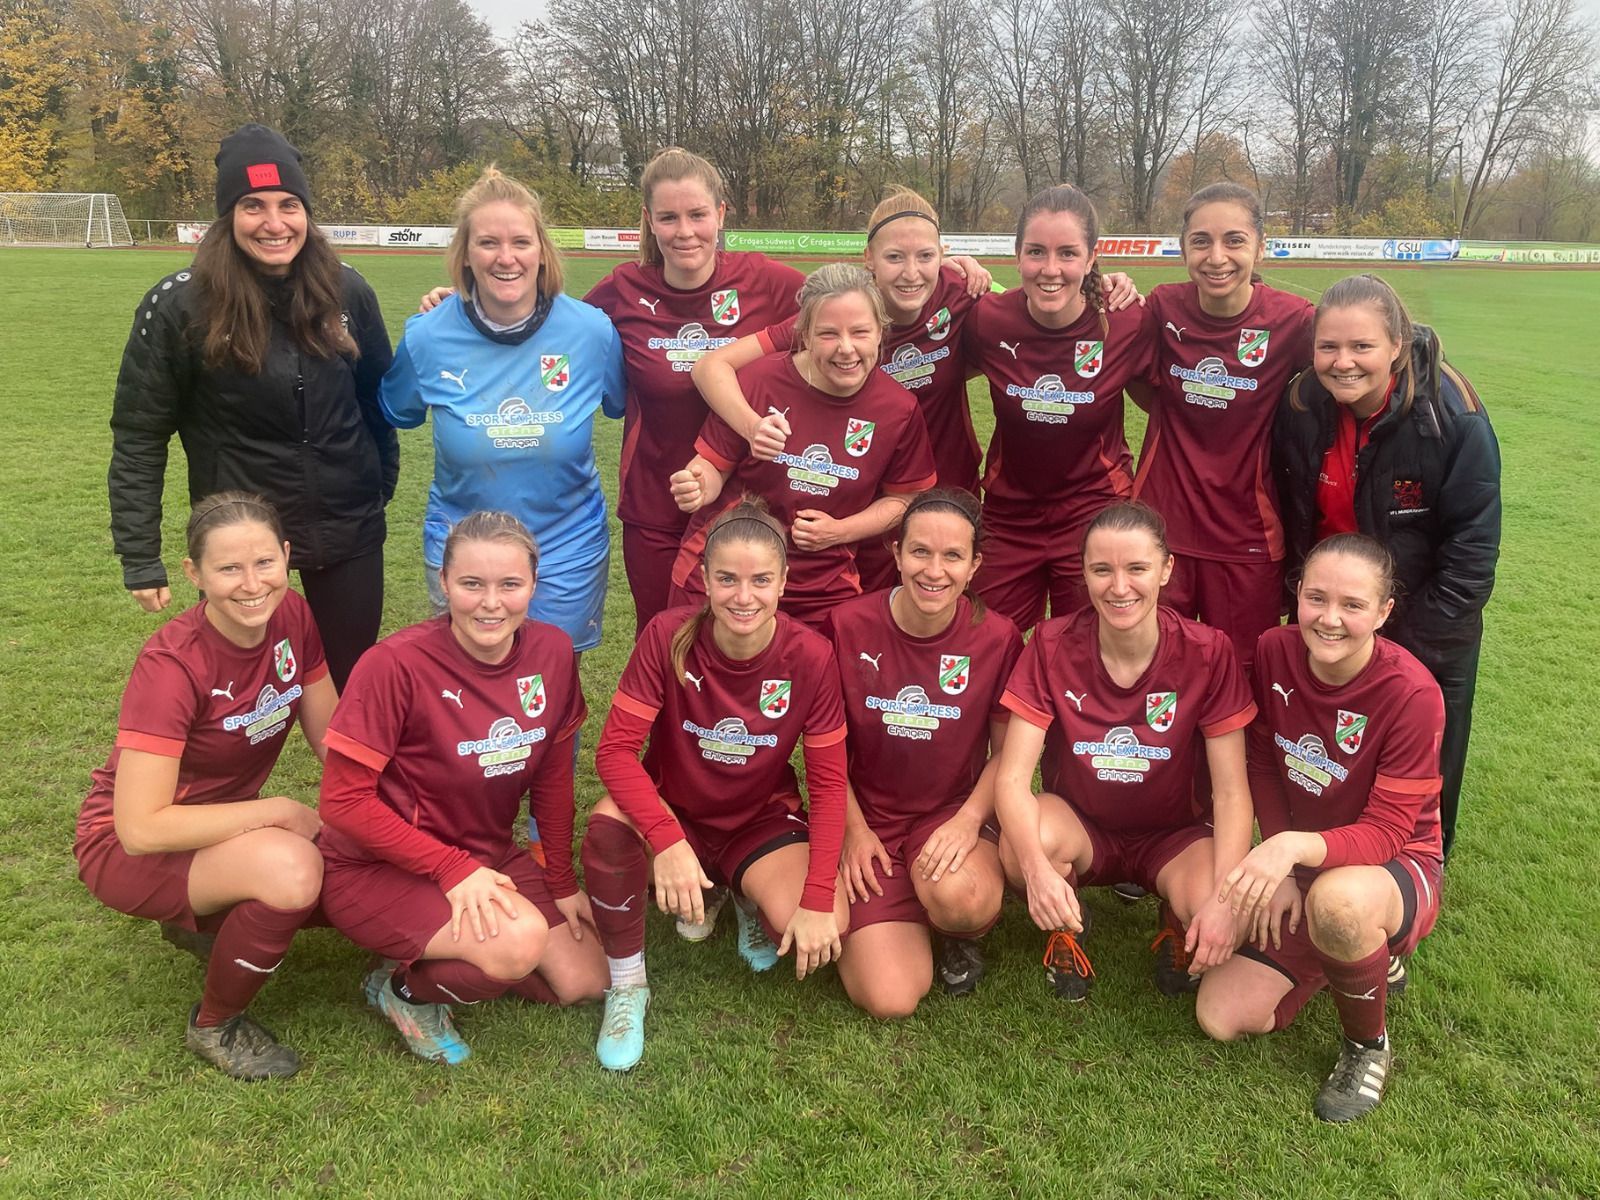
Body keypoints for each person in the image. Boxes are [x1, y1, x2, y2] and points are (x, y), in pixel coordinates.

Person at [108, 123, 397, 691]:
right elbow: (139, 435)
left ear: (306, 212)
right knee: (245, 701)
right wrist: (140, 553)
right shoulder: (180, 305)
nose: (274, 223)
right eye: (253, 206)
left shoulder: (348, 291)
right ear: (228, 216)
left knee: (353, 690)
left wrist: (377, 484)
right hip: (242, 539)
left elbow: (376, 401)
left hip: (348, 527)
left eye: (289, 204)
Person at [317, 511, 607, 1064]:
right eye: (472, 583)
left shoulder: (551, 652)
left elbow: (552, 776)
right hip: (375, 866)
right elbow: (341, 802)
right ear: (444, 582)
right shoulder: (393, 665)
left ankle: (440, 950)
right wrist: (451, 869)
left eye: (509, 584)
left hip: (485, 853)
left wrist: (560, 880)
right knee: (518, 943)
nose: (490, 603)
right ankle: (402, 991)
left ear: (534, 584)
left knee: (584, 980)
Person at [581, 499, 850, 1070]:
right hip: (675, 811)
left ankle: (741, 890)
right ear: (704, 580)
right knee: (607, 829)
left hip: (758, 818)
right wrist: (666, 838)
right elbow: (614, 752)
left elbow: (829, 786)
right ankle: (627, 985)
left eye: (760, 580)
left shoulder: (812, 655)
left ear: (784, 582)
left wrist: (818, 897)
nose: (743, 596)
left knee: (824, 922)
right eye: (727, 579)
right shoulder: (667, 635)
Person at [76, 492, 335, 1079]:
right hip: (129, 846)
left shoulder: (291, 614)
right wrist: (278, 811)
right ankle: (215, 1025)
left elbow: (331, 736)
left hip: (218, 824)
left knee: (350, 864)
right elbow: (140, 829)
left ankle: (204, 918)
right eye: (229, 569)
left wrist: (392, 804)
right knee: (294, 870)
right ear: (195, 574)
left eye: (264, 563)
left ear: (286, 556)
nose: (252, 585)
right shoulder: (172, 664)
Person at [1196, 534, 1446, 1123]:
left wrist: (1289, 850)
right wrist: (1287, 868)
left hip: (1394, 864)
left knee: (1339, 905)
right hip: (1308, 860)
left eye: (1352, 605)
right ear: (1298, 595)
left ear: (1384, 611)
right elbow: (1263, 759)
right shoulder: (1274, 649)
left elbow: (1387, 832)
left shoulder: (1413, 694)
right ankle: (1350, 957)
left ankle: (1366, 1046)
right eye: (1316, 598)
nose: (1329, 619)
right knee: (1220, 1016)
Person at [1273, 274, 1499, 861]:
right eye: (1328, 346)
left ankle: (1419, 869)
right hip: (1334, 614)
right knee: (1334, 751)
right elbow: (1293, 513)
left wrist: (1409, 643)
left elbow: (1472, 553)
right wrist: (1308, 603)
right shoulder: (1301, 404)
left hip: (1426, 622)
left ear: (1397, 344)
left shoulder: (1451, 413)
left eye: (1362, 346)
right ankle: (1330, 854)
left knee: (1424, 767)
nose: (1343, 362)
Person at [993, 501, 1255, 1000]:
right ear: (1083, 573)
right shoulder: (1050, 643)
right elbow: (1011, 779)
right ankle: (1068, 921)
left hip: (1176, 836)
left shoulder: (1208, 651)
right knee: (1019, 847)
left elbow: (1232, 793)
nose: (1119, 587)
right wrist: (1035, 871)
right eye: (1101, 570)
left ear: (1166, 569)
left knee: (1228, 911)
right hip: (1083, 827)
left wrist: (1224, 901)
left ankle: (1177, 917)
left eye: (1136, 568)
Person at [689, 189, 993, 596]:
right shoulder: (832, 315)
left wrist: (1105, 288)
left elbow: (1023, 323)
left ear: (942, 254)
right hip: (854, 497)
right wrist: (752, 428)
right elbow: (711, 366)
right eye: (894, 257)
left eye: (925, 256)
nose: (911, 273)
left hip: (940, 481)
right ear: (869, 259)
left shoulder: (961, 292)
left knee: (939, 604)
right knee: (870, 611)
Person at [381, 166, 625, 656]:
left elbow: (619, 403)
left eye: (521, 242)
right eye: (488, 243)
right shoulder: (427, 336)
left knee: (552, 679)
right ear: (466, 254)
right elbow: (397, 410)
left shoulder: (592, 332)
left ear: (542, 251)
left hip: (566, 547)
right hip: (464, 549)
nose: (506, 257)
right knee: (469, 679)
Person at [824, 490, 1023, 1016]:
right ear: (896, 553)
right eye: (920, 552)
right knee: (889, 998)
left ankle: (953, 927)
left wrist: (968, 821)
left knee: (961, 897)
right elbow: (824, 749)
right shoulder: (847, 625)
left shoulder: (997, 638)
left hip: (949, 812)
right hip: (871, 820)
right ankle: (906, 902)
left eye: (953, 555)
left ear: (974, 565)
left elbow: (1007, 754)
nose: (934, 571)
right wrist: (851, 829)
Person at [668, 263, 937, 627]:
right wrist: (698, 483)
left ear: (880, 332)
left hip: (821, 589)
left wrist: (841, 531)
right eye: (828, 334)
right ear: (805, 334)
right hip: (727, 576)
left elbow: (905, 500)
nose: (846, 348)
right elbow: (713, 467)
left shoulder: (898, 408)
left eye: (860, 332)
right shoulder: (759, 381)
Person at [1132, 182, 1315, 677]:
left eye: (1234, 240)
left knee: (1241, 676)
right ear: (1183, 248)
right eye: (1201, 241)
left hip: (1246, 537)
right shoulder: (1162, 308)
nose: (1216, 257)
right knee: (1156, 673)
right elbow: (1131, 374)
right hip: (1161, 529)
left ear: (1261, 247)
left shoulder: (1293, 320)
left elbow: (1355, 349)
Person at [961, 185, 1152, 632]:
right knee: (980, 640)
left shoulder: (1127, 321)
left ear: (1091, 258)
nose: (1050, 269)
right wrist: (956, 264)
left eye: (1068, 253)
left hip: (1094, 512)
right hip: (1009, 517)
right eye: (1036, 252)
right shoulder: (988, 319)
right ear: (1017, 255)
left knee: (1091, 648)